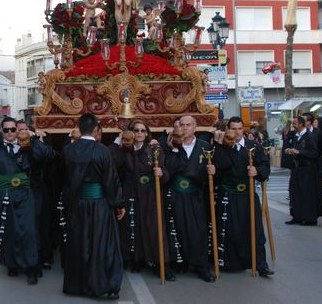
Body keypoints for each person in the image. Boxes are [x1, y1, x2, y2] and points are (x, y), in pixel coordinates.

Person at [0, 117, 50, 285]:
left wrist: (34, 139)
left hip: (26, 194)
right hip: (5, 194)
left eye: (13, 129)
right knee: (9, 230)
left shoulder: (28, 147)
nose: (10, 133)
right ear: (2, 132)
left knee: (29, 231)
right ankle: (12, 263)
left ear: (18, 130)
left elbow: (45, 156)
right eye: (7, 130)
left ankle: (32, 268)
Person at [62, 114, 124, 300]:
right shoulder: (103, 151)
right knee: (102, 244)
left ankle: (77, 285)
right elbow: (111, 181)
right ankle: (102, 285)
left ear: (79, 127)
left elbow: (64, 180)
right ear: (96, 129)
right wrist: (118, 203)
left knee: (79, 242)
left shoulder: (68, 151)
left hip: (77, 204)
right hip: (100, 205)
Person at [109, 120, 173, 280]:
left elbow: (165, 172)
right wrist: (118, 141)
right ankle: (137, 259)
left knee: (153, 226)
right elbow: (112, 163)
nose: (139, 133)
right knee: (133, 226)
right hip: (131, 192)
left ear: (147, 133)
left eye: (143, 131)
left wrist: (161, 174)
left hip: (150, 194)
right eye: (136, 130)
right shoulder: (125, 150)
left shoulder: (154, 149)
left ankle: (161, 264)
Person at [211, 117, 274, 277]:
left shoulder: (253, 147)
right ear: (227, 130)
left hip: (247, 194)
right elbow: (220, 168)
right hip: (228, 194)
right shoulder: (222, 147)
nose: (237, 132)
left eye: (240, 129)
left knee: (255, 230)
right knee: (230, 230)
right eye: (233, 129)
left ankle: (261, 265)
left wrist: (257, 171)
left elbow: (264, 167)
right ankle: (231, 262)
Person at [164, 115, 216, 282]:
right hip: (176, 194)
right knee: (177, 229)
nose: (185, 128)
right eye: (182, 125)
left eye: (188, 125)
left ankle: (201, 266)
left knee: (198, 230)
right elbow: (169, 170)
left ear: (195, 127)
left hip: (196, 195)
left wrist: (212, 171)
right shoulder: (171, 145)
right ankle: (181, 262)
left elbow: (213, 171)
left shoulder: (205, 147)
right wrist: (173, 149)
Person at [284, 116, 320, 226]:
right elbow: (294, 148)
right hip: (297, 168)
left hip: (307, 169)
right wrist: (290, 150)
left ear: (301, 124)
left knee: (306, 194)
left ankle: (309, 218)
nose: (293, 125)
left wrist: (300, 152)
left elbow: (314, 153)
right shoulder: (296, 136)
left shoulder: (309, 136)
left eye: (294, 123)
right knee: (295, 192)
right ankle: (296, 216)